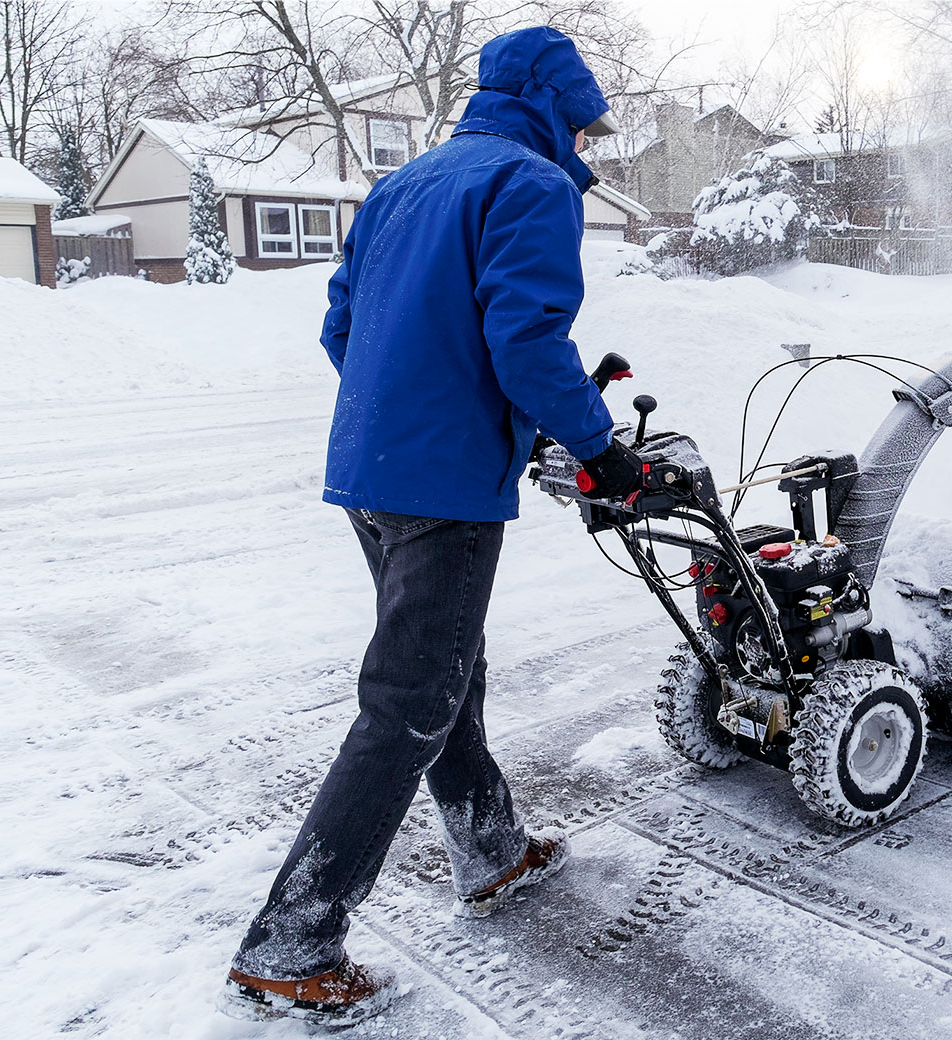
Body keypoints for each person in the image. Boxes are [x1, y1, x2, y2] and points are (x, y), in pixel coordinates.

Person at [218, 26, 645, 1026]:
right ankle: (293, 938)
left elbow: (340, 324)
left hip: (369, 470)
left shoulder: (404, 185)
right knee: (409, 700)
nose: (584, 143)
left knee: (443, 669)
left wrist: (408, 414)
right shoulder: (530, 187)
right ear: (549, 105)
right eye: (580, 122)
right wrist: (599, 448)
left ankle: (491, 846)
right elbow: (526, 338)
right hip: (442, 488)